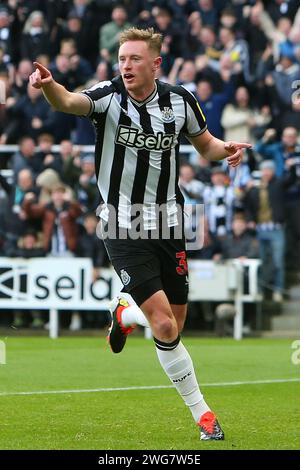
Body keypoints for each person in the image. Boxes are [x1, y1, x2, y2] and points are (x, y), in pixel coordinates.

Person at [29, 27, 251, 441]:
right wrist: (49, 86)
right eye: (121, 58)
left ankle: (124, 314)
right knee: (165, 326)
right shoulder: (108, 96)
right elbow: (70, 102)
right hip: (122, 222)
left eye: (134, 59)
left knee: (174, 324)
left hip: (169, 222)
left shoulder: (180, 101)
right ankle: (204, 416)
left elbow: (205, 145)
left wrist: (227, 150)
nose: (125, 66)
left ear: (155, 63)